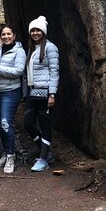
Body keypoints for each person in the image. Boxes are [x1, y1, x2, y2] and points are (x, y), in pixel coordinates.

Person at [0, 25, 26, 174]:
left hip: (11, 92)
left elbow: (18, 71)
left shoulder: (19, 51)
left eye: (9, 34)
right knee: (1, 124)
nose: (6, 36)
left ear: (14, 36)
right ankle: (6, 152)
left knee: (6, 123)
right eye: (3, 34)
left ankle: (11, 156)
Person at [23, 16, 60, 172]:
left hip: (45, 93)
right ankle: (46, 152)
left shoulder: (50, 48)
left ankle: (43, 159)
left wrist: (52, 94)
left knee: (45, 126)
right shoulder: (32, 48)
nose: (35, 33)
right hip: (32, 92)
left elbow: (54, 71)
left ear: (43, 32)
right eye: (33, 30)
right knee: (28, 124)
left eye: (38, 30)